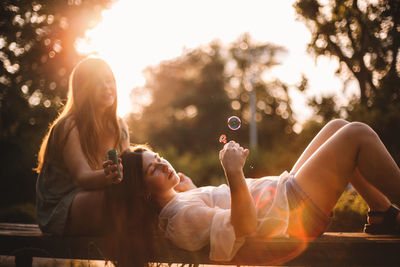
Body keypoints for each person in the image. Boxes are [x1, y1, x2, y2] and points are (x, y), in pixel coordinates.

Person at [119, 119, 400, 262]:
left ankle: (381, 212)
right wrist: (233, 172)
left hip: (284, 196)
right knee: (357, 134)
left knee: (338, 126)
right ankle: (385, 211)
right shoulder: (179, 217)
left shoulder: (179, 201)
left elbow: (206, 207)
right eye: (151, 170)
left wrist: (187, 187)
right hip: (291, 214)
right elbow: (244, 225)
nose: (162, 164)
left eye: (158, 158)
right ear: (143, 193)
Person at [35, 57, 130, 236]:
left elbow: (127, 170)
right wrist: (109, 177)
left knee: (144, 190)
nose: (107, 87)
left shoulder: (120, 126)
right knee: (118, 201)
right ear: (84, 88)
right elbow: (83, 178)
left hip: (96, 198)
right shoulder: (68, 125)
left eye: (109, 80)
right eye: (97, 82)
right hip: (61, 208)